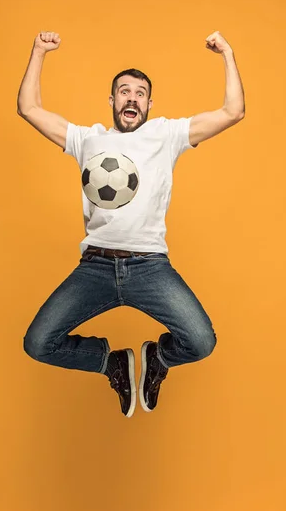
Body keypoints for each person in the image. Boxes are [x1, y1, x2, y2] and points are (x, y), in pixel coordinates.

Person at [17, 30, 245, 417]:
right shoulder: (86, 139)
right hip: (96, 268)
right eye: (124, 91)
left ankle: (157, 359)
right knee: (39, 343)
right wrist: (39, 51)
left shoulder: (167, 134)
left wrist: (228, 54)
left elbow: (232, 112)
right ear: (112, 100)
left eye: (140, 93)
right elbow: (29, 108)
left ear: (149, 103)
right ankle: (112, 363)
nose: (132, 98)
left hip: (149, 268)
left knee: (201, 341)